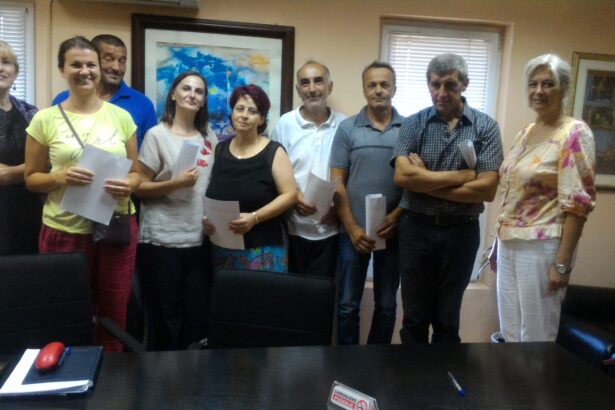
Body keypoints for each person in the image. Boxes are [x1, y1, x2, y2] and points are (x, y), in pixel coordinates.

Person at [24, 36, 140, 352]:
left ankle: (111, 372)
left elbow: (136, 174)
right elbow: (31, 179)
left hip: (115, 226)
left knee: (114, 311)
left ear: (99, 69)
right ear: (63, 70)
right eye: (76, 64)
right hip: (64, 229)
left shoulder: (121, 117)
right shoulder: (44, 119)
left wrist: (130, 184)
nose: (85, 71)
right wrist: (59, 176)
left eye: (91, 64)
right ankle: (68, 370)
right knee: (65, 309)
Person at [393, 53, 503, 344]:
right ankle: (412, 373)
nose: (441, 92)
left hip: (461, 232)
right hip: (416, 229)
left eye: (450, 85)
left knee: (447, 319)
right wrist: (462, 176)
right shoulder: (413, 124)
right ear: (428, 84)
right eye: (435, 84)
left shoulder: (485, 127)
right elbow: (403, 177)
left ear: (464, 84)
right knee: (414, 318)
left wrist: (424, 181)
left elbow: (487, 190)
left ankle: (444, 373)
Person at [495, 54, 596, 342]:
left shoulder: (574, 133)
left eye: (548, 84)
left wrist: (561, 264)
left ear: (564, 89)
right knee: (509, 333)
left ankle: (537, 377)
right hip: (508, 242)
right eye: (533, 84)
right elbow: (512, 191)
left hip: (541, 247)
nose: (539, 91)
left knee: (536, 338)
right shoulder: (525, 133)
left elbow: (578, 204)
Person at [135, 71, 217, 350]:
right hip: (161, 239)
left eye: (199, 91)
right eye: (186, 89)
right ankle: (162, 374)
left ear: (203, 100)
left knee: (195, 317)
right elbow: (139, 187)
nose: (192, 95)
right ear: (173, 94)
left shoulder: (209, 137)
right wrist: (174, 183)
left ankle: (190, 375)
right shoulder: (156, 135)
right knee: (163, 317)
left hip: (198, 238)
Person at [330, 61, 404, 345]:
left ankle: (378, 359)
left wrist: (397, 217)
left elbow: (415, 183)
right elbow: (337, 183)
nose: (378, 90)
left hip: (393, 232)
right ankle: (349, 360)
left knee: (386, 305)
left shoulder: (409, 129)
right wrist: (351, 228)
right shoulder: (347, 128)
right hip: (353, 233)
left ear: (394, 88)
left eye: (384, 84)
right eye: (372, 85)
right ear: (364, 89)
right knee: (347, 305)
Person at [203, 84, 297, 272]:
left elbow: (290, 195)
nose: (244, 115)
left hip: (264, 249)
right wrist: (208, 219)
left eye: (252, 111)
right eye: (240, 109)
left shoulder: (273, 151)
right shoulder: (219, 150)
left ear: (261, 119)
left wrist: (254, 218)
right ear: (232, 113)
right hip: (223, 247)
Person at [271, 61, 346, 277]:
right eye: (305, 83)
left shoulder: (345, 125)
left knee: (325, 292)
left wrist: (340, 207)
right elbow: (273, 173)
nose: (312, 88)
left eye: (318, 81)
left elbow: (351, 173)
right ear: (298, 90)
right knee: (295, 292)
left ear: (330, 87)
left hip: (332, 230)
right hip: (293, 229)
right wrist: (294, 197)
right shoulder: (284, 124)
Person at [52, 34, 157, 149]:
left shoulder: (143, 104)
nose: (117, 67)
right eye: (108, 59)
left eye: (122, 61)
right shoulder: (62, 100)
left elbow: (150, 155)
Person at [0, 40, 42, 255]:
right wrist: (30, 170)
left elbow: (48, 163)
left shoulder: (32, 113)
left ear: (15, 72)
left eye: (6, 62)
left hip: (29, 209)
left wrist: (11, 173)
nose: (1, 68)